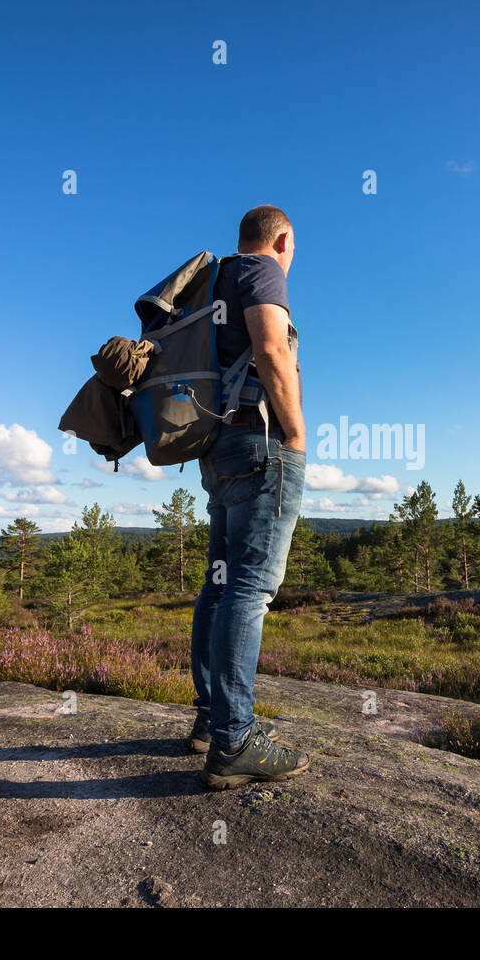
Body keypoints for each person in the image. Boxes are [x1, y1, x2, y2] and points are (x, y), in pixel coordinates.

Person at [188, 205, 311, 790]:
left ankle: (211, 719)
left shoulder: (214, 281)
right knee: (250, 588)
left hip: (218, 449)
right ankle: (235, 740)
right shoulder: (263, 271)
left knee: (218, 582)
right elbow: (270, 351)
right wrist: (295, 433)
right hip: (261, 444)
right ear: (282, 239)